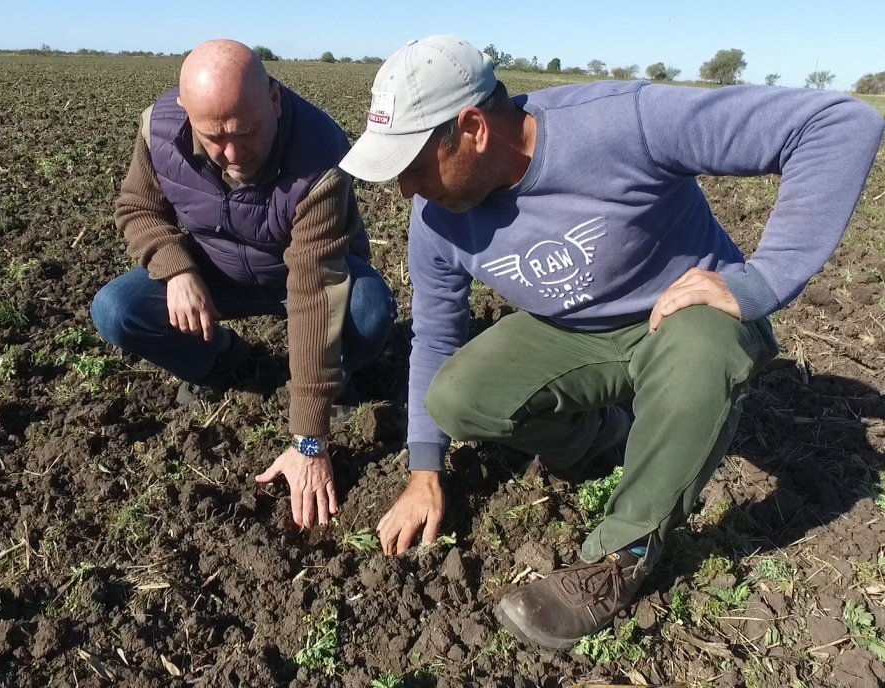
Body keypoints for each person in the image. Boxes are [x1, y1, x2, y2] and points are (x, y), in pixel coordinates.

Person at [339, 35, 884, 649]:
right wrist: (423, 472)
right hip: (579, 333)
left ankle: (622, 556)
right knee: (459, 396)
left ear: (471, 128)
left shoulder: (622, 124)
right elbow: (436, 333)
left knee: (703, 347)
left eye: (413, 166)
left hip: (686, 321)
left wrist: (763, 281)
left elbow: (837, 122)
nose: (409, 189)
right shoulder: (437, 218)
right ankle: (607, 438)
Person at [92, 39, 395, 532]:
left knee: (368, 309)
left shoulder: (321, 155)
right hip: (215, 273)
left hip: (302, 275)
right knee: (117, 308)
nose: (232, 153)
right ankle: (223, 360)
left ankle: (333, 382)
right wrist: (177, 268)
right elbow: (138, 209)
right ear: (188, 114)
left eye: (246, 131)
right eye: (214, 137)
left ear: (273, 100)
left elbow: (314, 290)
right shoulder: (160, 131)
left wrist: (309, 442)